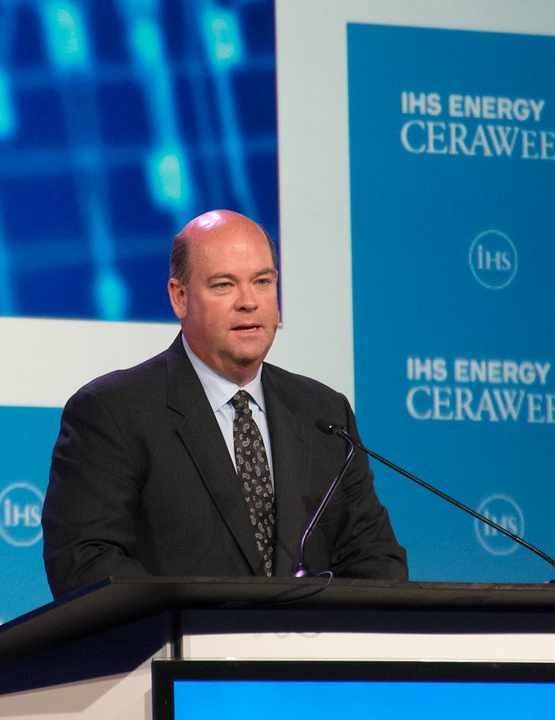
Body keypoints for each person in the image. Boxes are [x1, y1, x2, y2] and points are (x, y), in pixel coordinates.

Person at [42, 209, 408, 597]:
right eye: (223, 285)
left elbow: (376, 560)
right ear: (179, 297)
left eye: (263, 282)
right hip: (178, 652)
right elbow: (84, 562)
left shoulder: (324, 414)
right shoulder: (113, 412)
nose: (249, 302)